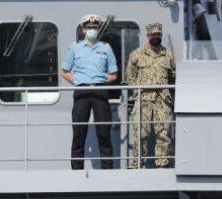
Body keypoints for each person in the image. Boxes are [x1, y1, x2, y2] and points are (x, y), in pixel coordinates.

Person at [61, 14, 118, 170]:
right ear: (83, 29)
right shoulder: (75, 48)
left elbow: (113, 74)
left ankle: (107, 169)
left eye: (94, 27)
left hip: (100, 90)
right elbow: (64, 71)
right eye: (89, 27)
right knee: (79, 132)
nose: (92, 30)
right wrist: (79, 82)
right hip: (82, 92)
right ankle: (76, 169)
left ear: (98, 29)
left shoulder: (106, 48)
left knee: (104, 132)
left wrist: (99, 81)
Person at [126, 23, 176, 169]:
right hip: (143, 99)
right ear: (147, 36)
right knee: (141, 133)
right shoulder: (137, 55)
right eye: (153, 34)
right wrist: (139, 90)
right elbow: (131, 77)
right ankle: (138, 164)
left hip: (162, 100)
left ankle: (163, 164)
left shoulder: (168, 55)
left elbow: (173, 76)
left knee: (164, 133)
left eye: (158, 34)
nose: (156, 37)